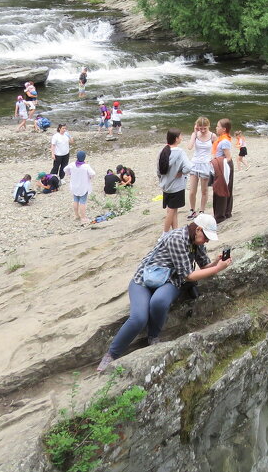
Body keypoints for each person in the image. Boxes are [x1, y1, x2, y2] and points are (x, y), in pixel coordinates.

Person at [97, 214, 231, 372]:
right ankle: (111, 354)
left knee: (159, 302)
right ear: (198, 229)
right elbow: (189, 275)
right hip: (144, 280)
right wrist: (217, 269)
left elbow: (203, 267)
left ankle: (153, 337)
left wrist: (216, 263)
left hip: (170, 280)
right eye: (206, 237)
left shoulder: (197, 241)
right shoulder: (177, 239)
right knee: (138, 318)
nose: (207, 241)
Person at [158, 129, 189, 233]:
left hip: (166, 186)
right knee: (171, 211)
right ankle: (165, 234)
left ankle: (175, 231)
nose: (181, 138)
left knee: (173, 210)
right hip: (177, 186)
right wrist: (182, 172)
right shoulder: (180, 152)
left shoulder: (163, 151)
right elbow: (188, 167)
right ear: (176, 139)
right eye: (180, 136)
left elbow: (158, 170)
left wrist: (163, 180)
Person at [186, 117, 213, 219]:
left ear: (208, 126)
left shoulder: (212, 136)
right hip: (195, 163)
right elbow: (189, 147)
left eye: (204, 128)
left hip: (206, 164)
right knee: (192, 191)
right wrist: (194, 133)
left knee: (204, 190)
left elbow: (217, 148)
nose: (202, 130)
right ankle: (192, 210)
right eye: (200, 128)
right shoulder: (195, 134)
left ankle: (202, 211)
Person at [211, 118, 235, 223]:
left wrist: (218, 163)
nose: (216, 128)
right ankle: (226, 212)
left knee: (221, 189)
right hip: (222, 165)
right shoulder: (221, 139)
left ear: (224, 129)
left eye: (218, 126)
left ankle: (220, 215)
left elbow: (228, 157)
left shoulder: (224, 141)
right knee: (225, 188)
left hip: (223, 166)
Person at [65, 149, 95, 224]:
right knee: (82, 202)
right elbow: (92, 173)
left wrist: (69, 173)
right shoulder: (86, 166)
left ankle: (76, 215)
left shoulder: (72, 165)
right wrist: (89, 177)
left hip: (74, 185)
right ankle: (83, 218)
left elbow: (65, 169)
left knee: (75, 200)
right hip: (83, 186)